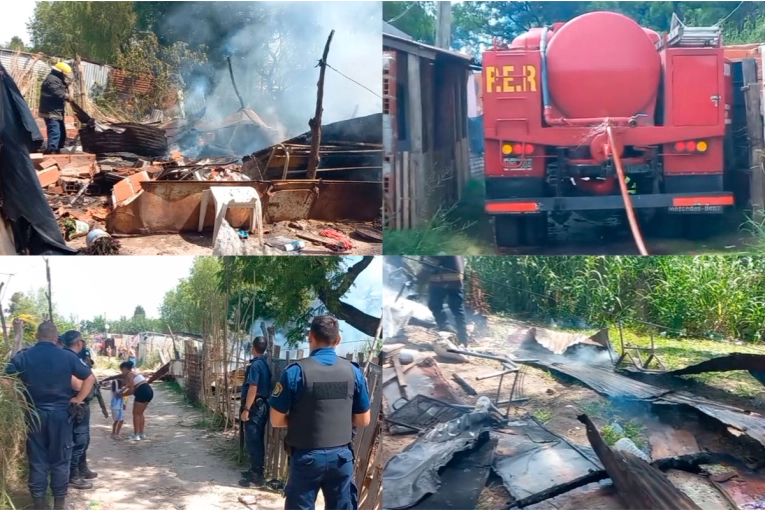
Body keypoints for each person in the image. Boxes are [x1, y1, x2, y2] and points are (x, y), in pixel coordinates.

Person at [269, 315, 372, 510]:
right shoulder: (354, 372)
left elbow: (276, 420)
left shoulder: (295, 372)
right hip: (341, 458)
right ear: (338, 339)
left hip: (306, 458)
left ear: (310, 336)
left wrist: (302, 420)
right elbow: (364, 419)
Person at [4, 322, 94, 510]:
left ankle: (39, 504)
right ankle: (59, 504)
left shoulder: (24, 356)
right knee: (60, 460)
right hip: (61, 416)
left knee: (37, 460)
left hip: (33, 415)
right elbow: (90, 378)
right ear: (56, 338)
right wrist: (77, 399)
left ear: (37, 336)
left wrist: (20, 401)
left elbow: (5, 379)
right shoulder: (67, 356)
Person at [59, 330, 99, 490]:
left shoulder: (69, 357)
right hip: (76, 406)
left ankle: (82, 468)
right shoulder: (70, 358)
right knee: (79, 440)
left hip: (78, 405)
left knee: (84, 439)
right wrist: (79, 398)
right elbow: (76, 383)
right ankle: (73, 475)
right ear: (79, 343)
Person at [238, 336, 272, 487]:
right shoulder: (264, 364)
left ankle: (256, 476)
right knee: (256, 440)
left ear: (253, 347)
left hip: (254, 407)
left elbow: (253, 388)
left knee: (253, 441)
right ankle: (254, 469)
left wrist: (246, 409)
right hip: (261, 405)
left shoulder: (256, 366)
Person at [420, 256, 469, 347]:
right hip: (457, 279)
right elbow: (464, 260)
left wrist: (420, 276)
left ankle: (447, 331)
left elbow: (432, 261)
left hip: (440, 280)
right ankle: (463, 339)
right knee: (457, 308)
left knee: (435, 305)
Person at [39, 62, 73, 154]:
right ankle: (51, 151)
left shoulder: (57, 78)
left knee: (61, 131)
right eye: (65, 74)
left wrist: (68, 85)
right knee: (55, 131)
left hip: (56, 110)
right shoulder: (52, 80)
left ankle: (59, 148)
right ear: (61, 71)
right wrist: (67, 96)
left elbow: (62, 87)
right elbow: (57, 93)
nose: (66, 76)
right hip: (50, 110)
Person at [120, 361, 154, 440]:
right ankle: (141, 433)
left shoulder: (129, 375)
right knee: (140, 413)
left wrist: (121, 395)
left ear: (125, 369)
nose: (122, 372)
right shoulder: (135, 374)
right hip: (149, 391)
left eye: (122, 370)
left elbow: (131, 390)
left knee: (135, 414)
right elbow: (131, 387)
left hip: (142, 392)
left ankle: (136, 435)